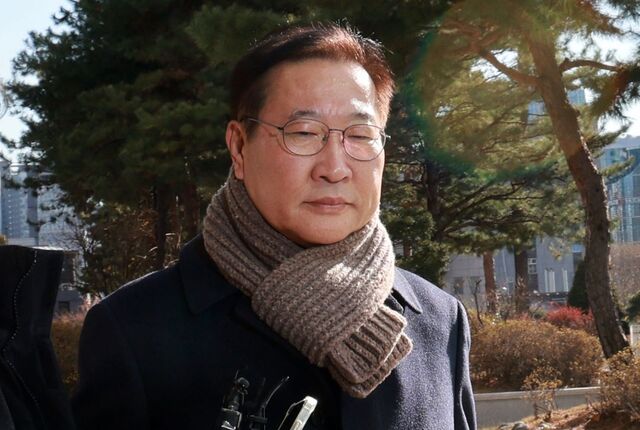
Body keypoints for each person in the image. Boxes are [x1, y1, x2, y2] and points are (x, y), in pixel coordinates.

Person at [71, 24, 477, 430]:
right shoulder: (136, 329)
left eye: (360, 135)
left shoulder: (440, 322)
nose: (335, 168)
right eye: (304, 133)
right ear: (239, 147)